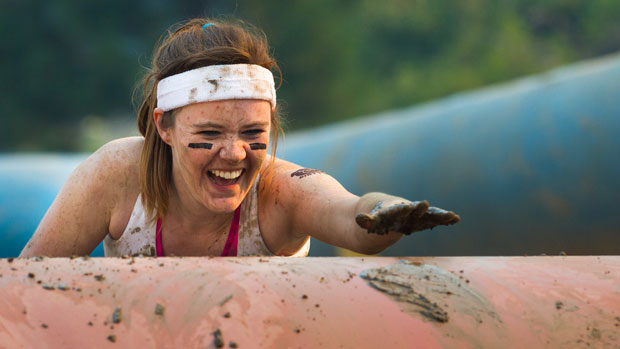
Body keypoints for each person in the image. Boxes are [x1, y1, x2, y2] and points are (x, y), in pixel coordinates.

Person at [19, 18, 459, 258]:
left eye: (253, 133)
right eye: (208, 133)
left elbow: (350, 215)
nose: (233, 153)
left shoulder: (281, 192)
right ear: (164, 126)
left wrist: (386, 213)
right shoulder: (118, 174)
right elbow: (25, 281)